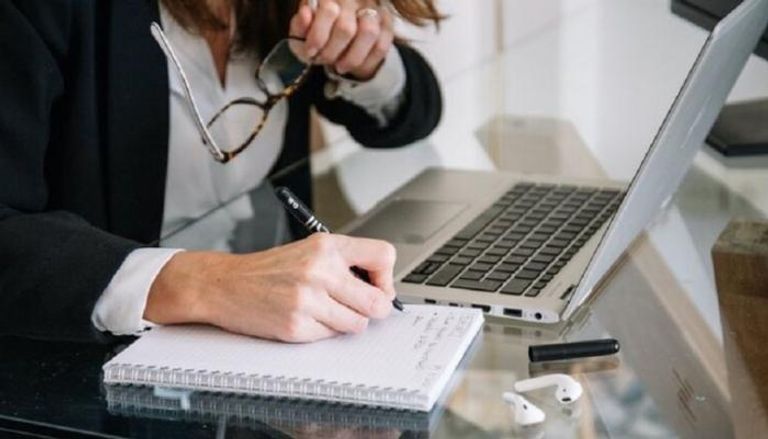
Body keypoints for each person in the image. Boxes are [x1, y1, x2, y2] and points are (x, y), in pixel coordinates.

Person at [0, 0, 442, 343]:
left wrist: (365, 60)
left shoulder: (282, 7)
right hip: (86, 364)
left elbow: (411, 117)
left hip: (270, 340)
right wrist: (207, 285)